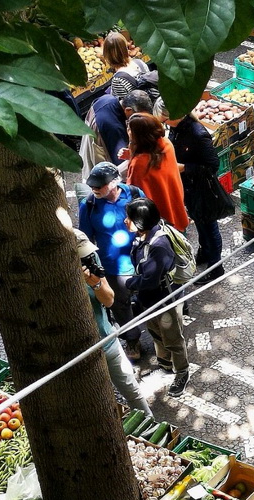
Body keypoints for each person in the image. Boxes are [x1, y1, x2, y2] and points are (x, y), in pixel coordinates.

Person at [74, 230, 153, 417]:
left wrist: (95, 283)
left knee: (132, 390)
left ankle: (151, 424)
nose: (87, 258)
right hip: (81, 352)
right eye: (81, 256)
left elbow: (109, 300)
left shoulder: (90, 259)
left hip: (107, 339)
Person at [78, 161, 145, 361]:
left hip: (141, 259)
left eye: (100, 185)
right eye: (92, 186)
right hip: (113, 267)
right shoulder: (88, 206)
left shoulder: (133, 193)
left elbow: (147, 218)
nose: (94, 189)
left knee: (148, 295)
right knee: (120, 305)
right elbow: (86, 240)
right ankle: (132, 338)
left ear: (115, 182)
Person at [125, 198, 190, 397]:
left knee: (172, 338)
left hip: (164, 300)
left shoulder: (158, 245)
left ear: (140, 221)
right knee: (155, 331)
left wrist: (129, 284)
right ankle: (165, 362)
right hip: (150, 300)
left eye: (129, 218)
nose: (125, 221)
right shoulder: (142, 236)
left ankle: (182, 372)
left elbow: (150, 280)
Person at [161, 98, 224, 284]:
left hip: (202, 188)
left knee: (209, 226)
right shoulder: (176, 128)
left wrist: (184, 168)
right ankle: (204, 253)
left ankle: (216, 267)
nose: (164, 123)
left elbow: (213, 165)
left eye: (165, 119)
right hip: (188, 186)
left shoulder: (197, 133)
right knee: (200, 223)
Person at [125, 113, 189, 234]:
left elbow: (134, 194)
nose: (127, 131)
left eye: (129, 128)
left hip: (159, 223)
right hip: (176, 209)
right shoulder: (166, 144)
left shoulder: (139, 164)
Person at [103, 31, 150, 98]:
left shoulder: (118, 80)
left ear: (107, 56)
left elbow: (124, 106)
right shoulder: (140, 63)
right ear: (126, 48)